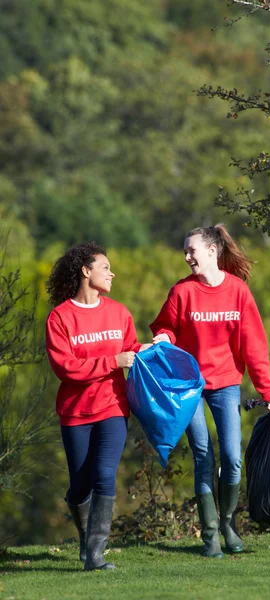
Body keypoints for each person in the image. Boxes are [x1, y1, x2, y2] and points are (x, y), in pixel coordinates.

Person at [150, 224, 270, 558]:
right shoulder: (182, 292)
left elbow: (254, 346)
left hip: (226, 383)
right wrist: (165, 336)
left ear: (212, 250)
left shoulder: (238, 292)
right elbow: (165, 325)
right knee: (203, 456)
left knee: (233, 458)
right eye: (185, 252)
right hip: (189, 386)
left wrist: (267, 390)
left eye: (192, 250)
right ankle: (209, 536)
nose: (187, 256)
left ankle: (228, 525)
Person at [46, 242, 149, 571]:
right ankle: (86, 538)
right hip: (76, 412)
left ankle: (95, 555)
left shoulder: (119, 312)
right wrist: (112, 361)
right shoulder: (60, 318)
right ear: (86, 272)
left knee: (104, 475)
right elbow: (66, 368)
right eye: (105, 267)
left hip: (112, 407)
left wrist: (156, 346)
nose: (111, 273)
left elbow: (131, 349)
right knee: (80, 485)